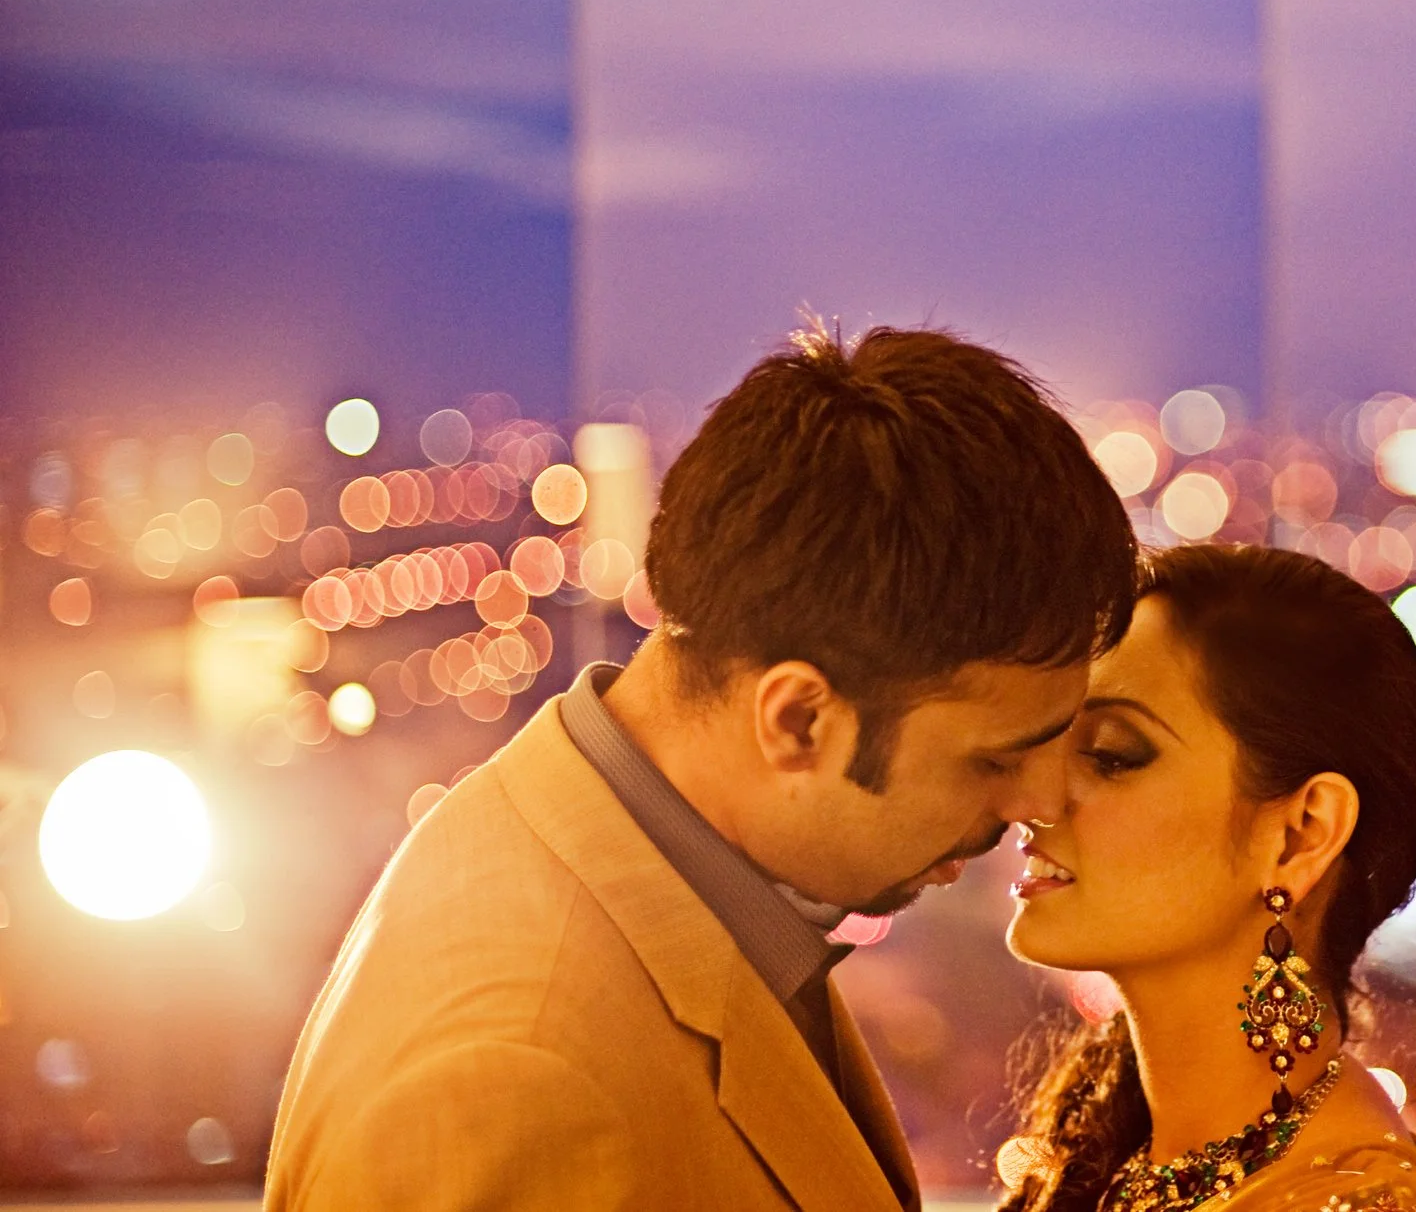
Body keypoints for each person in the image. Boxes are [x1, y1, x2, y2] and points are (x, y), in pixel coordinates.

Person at [265, 326, 1138, 1212]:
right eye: (995, 759)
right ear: (798, 720)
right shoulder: (515, 1086)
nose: (1041, 802)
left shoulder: (665, 888)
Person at [997, 544, 1416, 1212]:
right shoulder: (1119, 1163)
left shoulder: (1371, 1204)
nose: (1031, 798)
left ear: (1301, 834)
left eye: (1111, 756)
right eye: (1049, 743)